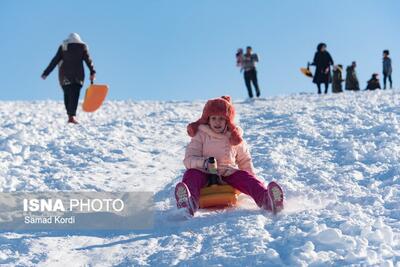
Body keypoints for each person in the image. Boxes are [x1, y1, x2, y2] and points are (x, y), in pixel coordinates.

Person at [174, 96, 284, 216]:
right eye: (214, 118)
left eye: (221, 118)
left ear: (228, 121)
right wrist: (204, 163)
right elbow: (189, 159)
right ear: (208, 119)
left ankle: (267, 200)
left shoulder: (234, 137)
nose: (217, 122)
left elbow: (244, 160)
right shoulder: (200, 135)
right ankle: (188, 203)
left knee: (245, 177)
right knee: (191, 175)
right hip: (203, 172)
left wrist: (252, 180)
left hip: (227, 172)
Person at [41, 33, 96, 124]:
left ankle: (70, 115)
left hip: (64, 76)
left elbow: (55, 61)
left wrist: (46, 73)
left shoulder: (64, 47)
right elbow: (88, 60)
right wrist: (92, 71)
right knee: (75, 95)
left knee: (67, 94)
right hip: (78, 76)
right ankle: (72, 116)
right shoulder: (82, 47)